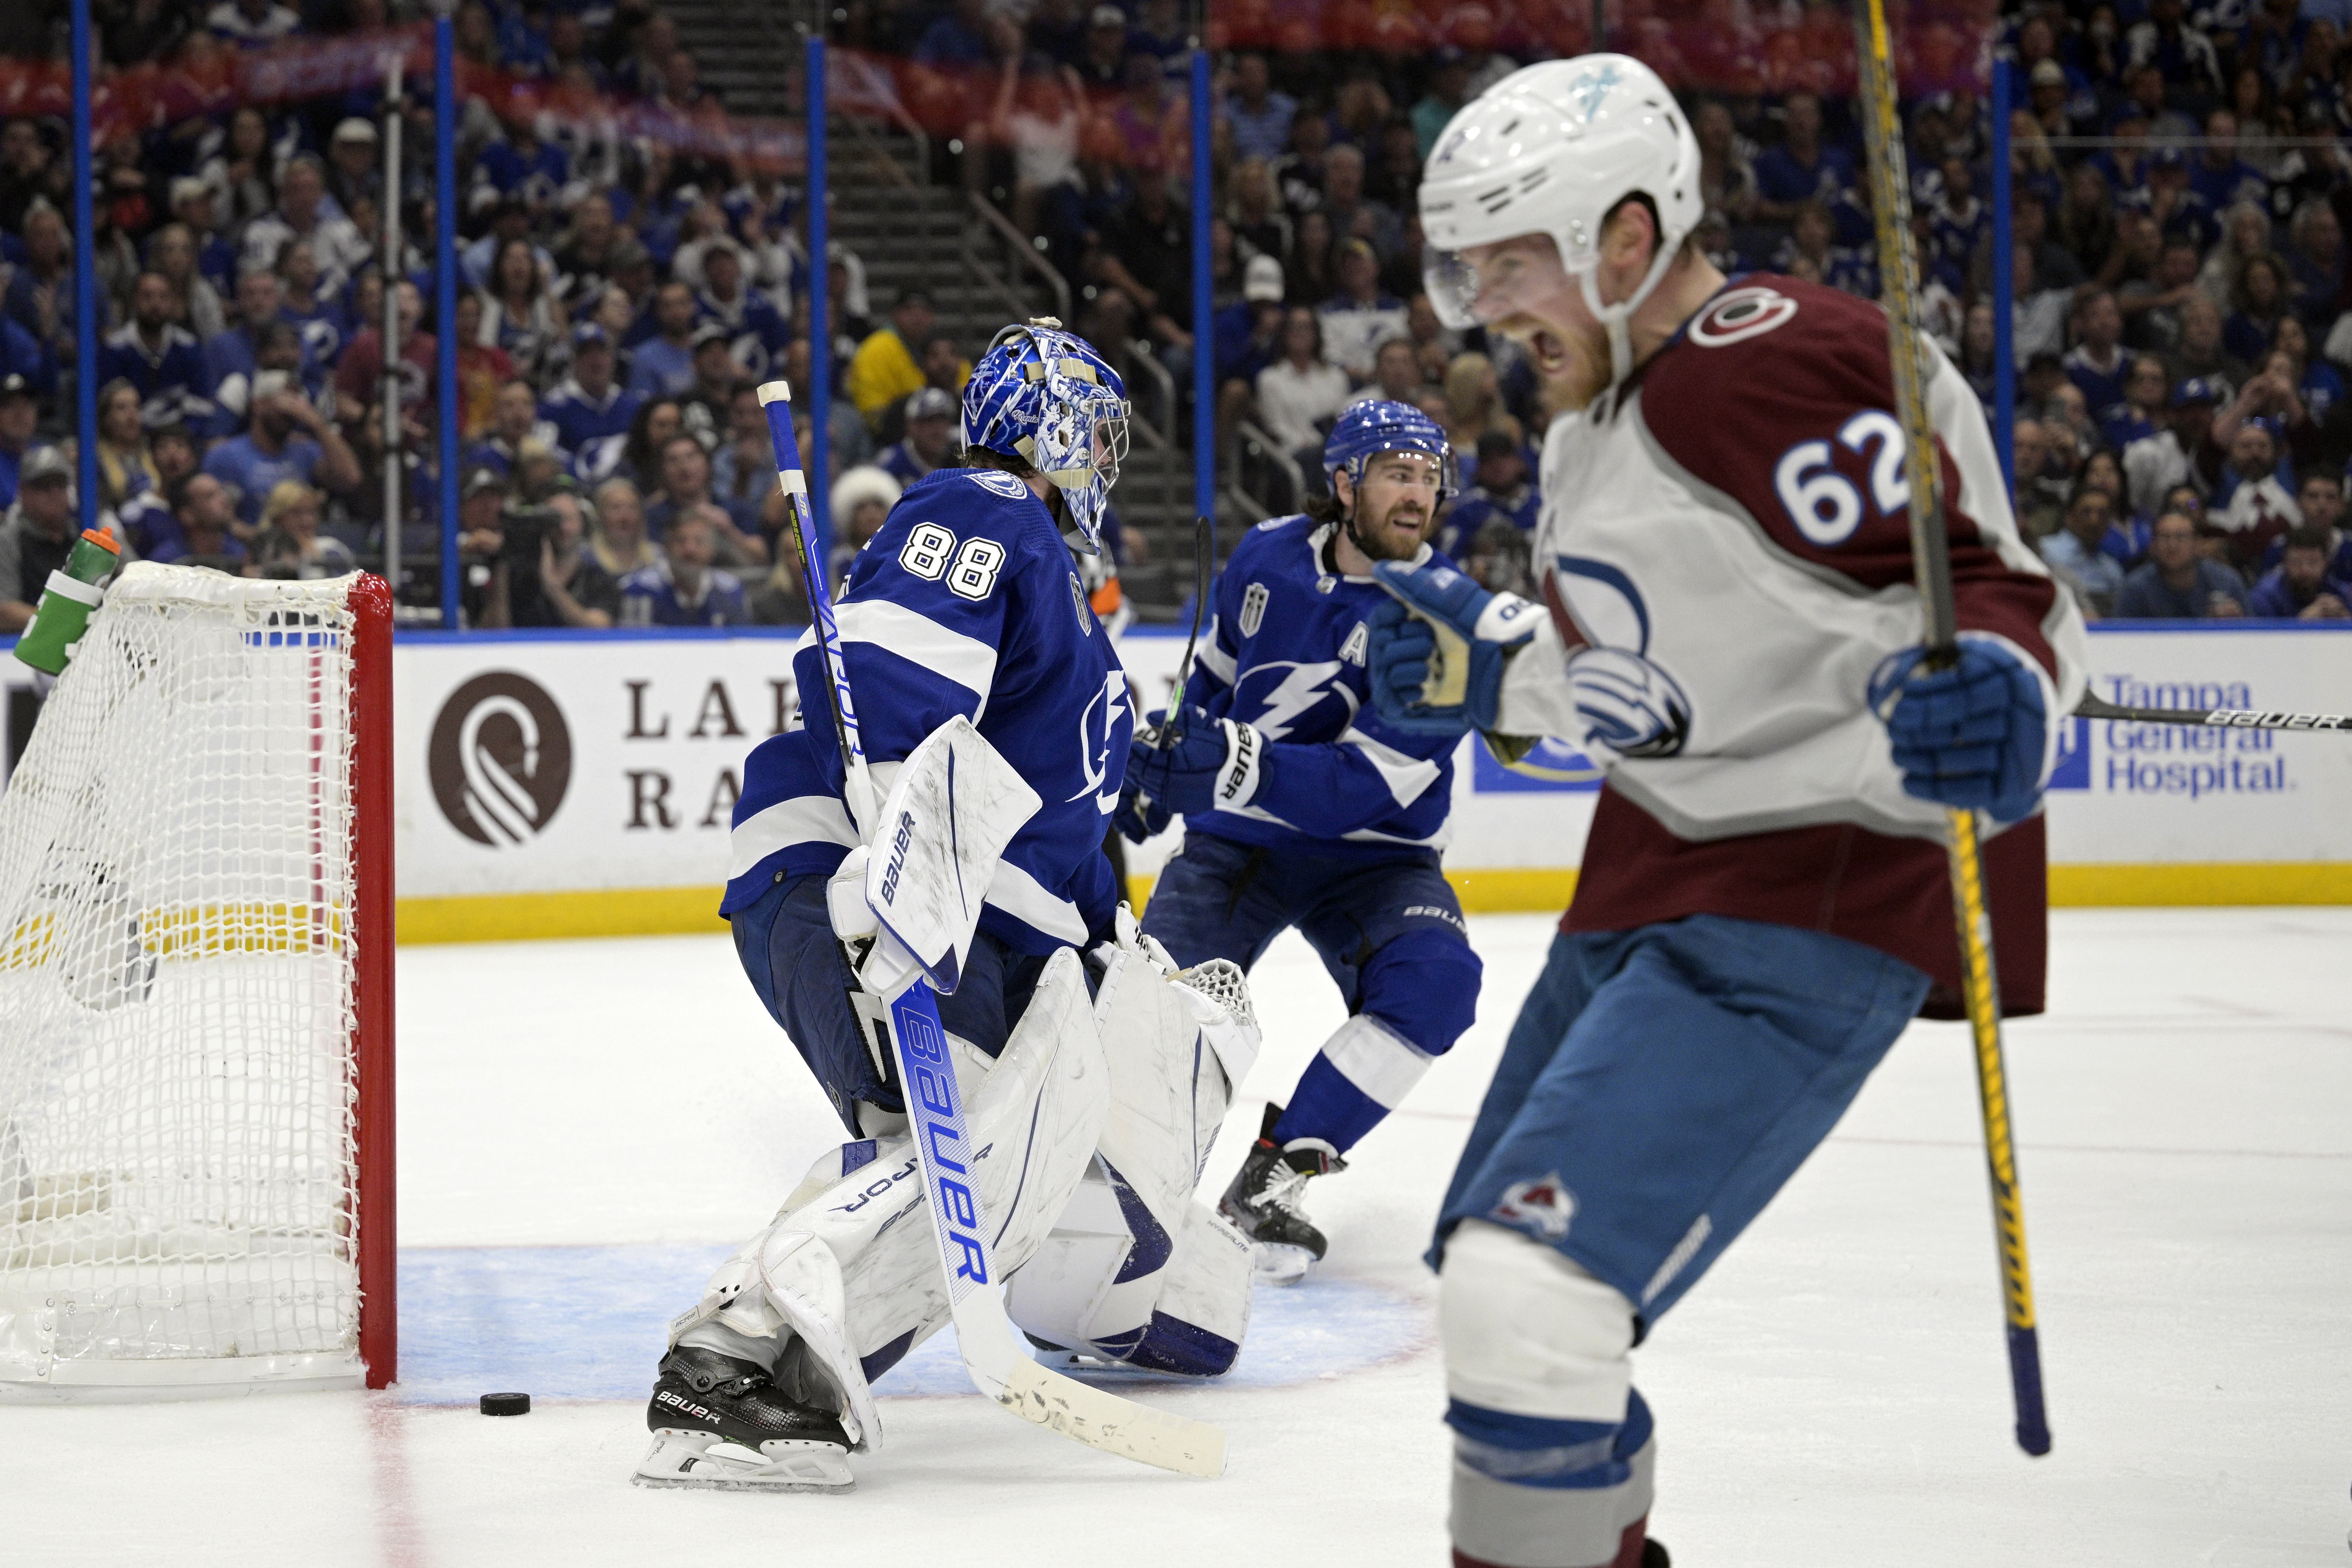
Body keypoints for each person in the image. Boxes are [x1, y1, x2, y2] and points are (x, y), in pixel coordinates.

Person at [1381, 56, 2090, 1568]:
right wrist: (1493, 671)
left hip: (1800, 895)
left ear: (1620, 242)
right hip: (1654, 882)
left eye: (1508, 260)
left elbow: (1989, 595)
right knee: (1514, 1316)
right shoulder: (1600, 422)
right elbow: (1653, 682)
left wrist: (2010, 698)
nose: (1481, 304)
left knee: (1532, 1301)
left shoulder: (1764, 361)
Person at [635, 320, 1256, 1493]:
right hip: (862, 888)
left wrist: (1137, 800)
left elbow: (1053, 831)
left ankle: (864, 1337)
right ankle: (734, 1361)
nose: (1107, 462)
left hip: (973, 934)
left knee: (1010, 1184)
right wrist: (902, 865)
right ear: (1057, 423)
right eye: (1100, 433)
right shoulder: (985, 506)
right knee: (959, 1155)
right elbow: (883, 692)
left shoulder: (1069, 607)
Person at [1116, 401, 1482, 1282]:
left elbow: (1366, 785)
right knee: (1150, 1016)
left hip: (1378, 857)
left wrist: (1230, 759)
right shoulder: (1268, 554)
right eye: (1399, 472)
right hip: (1237, 844)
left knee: (1437, 984)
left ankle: (1277, 1172)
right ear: (1344, 482)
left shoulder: (1448, 621)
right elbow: (1211, 678)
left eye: (1431, 478)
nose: (1418, 495)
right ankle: (1102, 1188)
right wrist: (1165, 762)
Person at [203, 369, 361, 529]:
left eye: (295, 400)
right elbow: (211, 516)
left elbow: (350, 478)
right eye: (282, 399)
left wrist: (315, 422)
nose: (289, 409)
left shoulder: (306, 451)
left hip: (301, 546)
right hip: (248, 547)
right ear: (258, 404)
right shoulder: (225, 456)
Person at [98, 271, 212, 432]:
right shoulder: (114, 351)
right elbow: (105, 413)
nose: (155, 304)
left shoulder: (189, 347)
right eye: (147, 296)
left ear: (172, 302)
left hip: (180, 441)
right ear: (134, 301)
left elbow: (204, 405)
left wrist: (181, 435)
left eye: (163, 297)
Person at [541, 322, 643, 484]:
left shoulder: (633, 405)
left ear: (612, 358)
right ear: (574, 362)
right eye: (586, 353)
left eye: (601, 352)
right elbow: (544, 456)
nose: (596, 360)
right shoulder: (554, 407)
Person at [618, 507, 748, 626]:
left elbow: (741, 644)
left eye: (699, 541)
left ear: (713, 549)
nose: (690, 550)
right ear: (667, 548)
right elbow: (633, 646)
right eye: (681, 541)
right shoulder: (639, 589)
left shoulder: (731, 591)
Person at [2116, 509, 2249, 618]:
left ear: (2198, 544)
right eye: (2165, 538)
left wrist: (2236, 624)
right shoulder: (2134, 590)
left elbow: (2252, 635)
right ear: (2153, 546)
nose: (2172, 546)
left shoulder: (2227, 582)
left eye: (2181, 537)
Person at [843, 288, 937, 430]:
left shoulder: (936, 348)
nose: (918, 318)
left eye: (925, 311)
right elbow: (874, 416)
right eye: (909, 310)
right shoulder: (879, 347)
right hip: (879, 438)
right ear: (895, 314)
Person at [2040, 481, 2127, 616]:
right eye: (2086, 512)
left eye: (2102, 514)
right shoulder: (2046, 551)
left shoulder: (2112, 570)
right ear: (2069, 517)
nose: (2095, 520)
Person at [2247, 525, 2352, 618]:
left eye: (2313, 562)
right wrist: (2302, 623)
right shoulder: (2265, 597)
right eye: (2296, 562)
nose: (2305, 570)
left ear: (2326, 563)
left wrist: (2345, 620)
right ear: (2285, 563)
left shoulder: (2341, 593)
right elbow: (2263, 638)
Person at [875, 387, 959, 486]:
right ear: (911, 426)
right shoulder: (892, 464)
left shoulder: (959, 459)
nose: (938, 430)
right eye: (929, 421)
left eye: (944, 421)